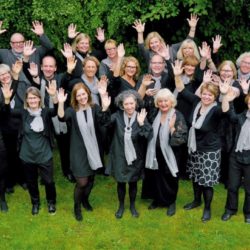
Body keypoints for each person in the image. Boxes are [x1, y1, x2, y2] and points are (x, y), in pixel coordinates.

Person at [173, 60, 225, 222]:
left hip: (210, 151)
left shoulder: (216, 110)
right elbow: (181, 89)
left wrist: (224, 95)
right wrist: (176, 75)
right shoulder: (196, 102)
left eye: (210, 95)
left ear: (214, 97)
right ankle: (196, 200)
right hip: (194, 147)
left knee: (207, 182)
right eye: (204, 94)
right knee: (196, 177)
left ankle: (207, 208)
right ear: (201, 94)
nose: (206, 96)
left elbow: (225, 112)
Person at [22, 42, 74, 183]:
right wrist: (26, 58)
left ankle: (67, 170)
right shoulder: (37, 79)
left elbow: (67, 78)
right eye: (45, 66)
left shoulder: (60, 79)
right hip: (43, 119)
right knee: (44, 145)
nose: (48, 68)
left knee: (64, 146)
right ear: (41, 67)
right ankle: (44, 174)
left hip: (58, 117)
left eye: (51, 66)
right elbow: (27, 71)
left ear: (55, 68)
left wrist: (69, 69)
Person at [3, 83, 58, 215]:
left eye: (35, 98)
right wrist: (6, 99)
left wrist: (54, 97)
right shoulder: (22, 113)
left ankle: (51, 202)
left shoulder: (45, 113)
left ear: (39, 99)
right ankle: (35, 203)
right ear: (26, 100)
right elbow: (7, 112)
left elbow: (56, 112)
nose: (33, 100)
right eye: (30, 98)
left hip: (44, 153)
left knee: (49, 181)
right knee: (31, 182)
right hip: (27, 155)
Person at [57, 83, 110, 221]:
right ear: (75, 97)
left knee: (91, 178)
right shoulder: (72, 110)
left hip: (94, 148)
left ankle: (85, 200)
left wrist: (105, 105)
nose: (82, 97)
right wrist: (61, 103)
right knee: (82, 182)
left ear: (88, 93)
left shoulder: (95, 108)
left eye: (83, 93)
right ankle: (77, 206)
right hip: (78, 150)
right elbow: (61, 117)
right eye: (78, 95)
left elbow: (105, 121)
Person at [104, 90, 152, 219]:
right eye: (126, 104)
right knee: (120, 182)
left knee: (133, 183)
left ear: (136, 103)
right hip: (119, 155)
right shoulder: (117, 116)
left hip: (135, 157)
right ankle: (120, 206)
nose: (129, 106)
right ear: (121, 105)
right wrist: (105, 108)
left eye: (131, 103)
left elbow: (147, 136)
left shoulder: (141, 116)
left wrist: (142, 124)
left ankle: (132, 206)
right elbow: (105, 124)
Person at [144, 88, 187, 216]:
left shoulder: (177, 115)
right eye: (160, 101)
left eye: (166, 101)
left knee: (170, 178)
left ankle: (171, 202)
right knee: (156, 176)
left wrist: (172, 128)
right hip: (155, 152)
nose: (163, 104)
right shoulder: (155, 113)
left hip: (171, 153)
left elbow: (182, 138)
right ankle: (157, 200)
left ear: (171, 101)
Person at [221, 92, 250, 223]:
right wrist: (229, 100)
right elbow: (229, 115)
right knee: (232, 186)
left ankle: (248, 213)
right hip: (236, 156)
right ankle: (230, 210)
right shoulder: (241, 117)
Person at [0, 61, 29, 193]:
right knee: (10, 155)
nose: (4, 76)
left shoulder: (20, 85)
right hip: (6, 128)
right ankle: (10, 182)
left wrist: (16, 78)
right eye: (1, 75)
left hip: (20, 126)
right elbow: (3, 111)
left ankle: (23, 179)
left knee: (21, 154)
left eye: (6, 73)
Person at [132, 14, 199, 69]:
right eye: (151, 43)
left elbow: (187, 42)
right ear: (149, 45)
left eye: (156, 42)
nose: (154, 45)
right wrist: (140, 33)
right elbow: (141, 46)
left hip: (172, 81)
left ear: (160, 41)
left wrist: (193, 28)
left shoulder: (172, 48)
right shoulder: (148, 54)